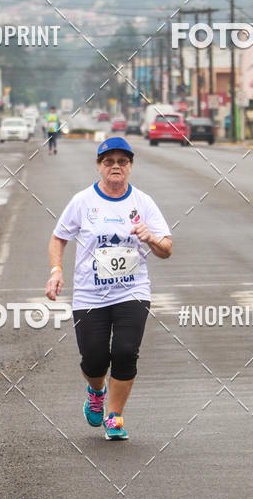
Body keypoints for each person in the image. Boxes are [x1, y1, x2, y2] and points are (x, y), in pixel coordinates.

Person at [45, 137, 172, 440]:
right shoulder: (82, 201)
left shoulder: (142, 202)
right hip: (90, 294)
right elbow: (58, 237)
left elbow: (166, 249)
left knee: (126, 352)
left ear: (130, 167)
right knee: (94, 358)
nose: (116, 167)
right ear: (99, 166)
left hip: (133, 291)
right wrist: (56, 270)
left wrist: (150, 237)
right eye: (109, 162)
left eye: (122, 162)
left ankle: (115, 417)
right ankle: (96, 390)